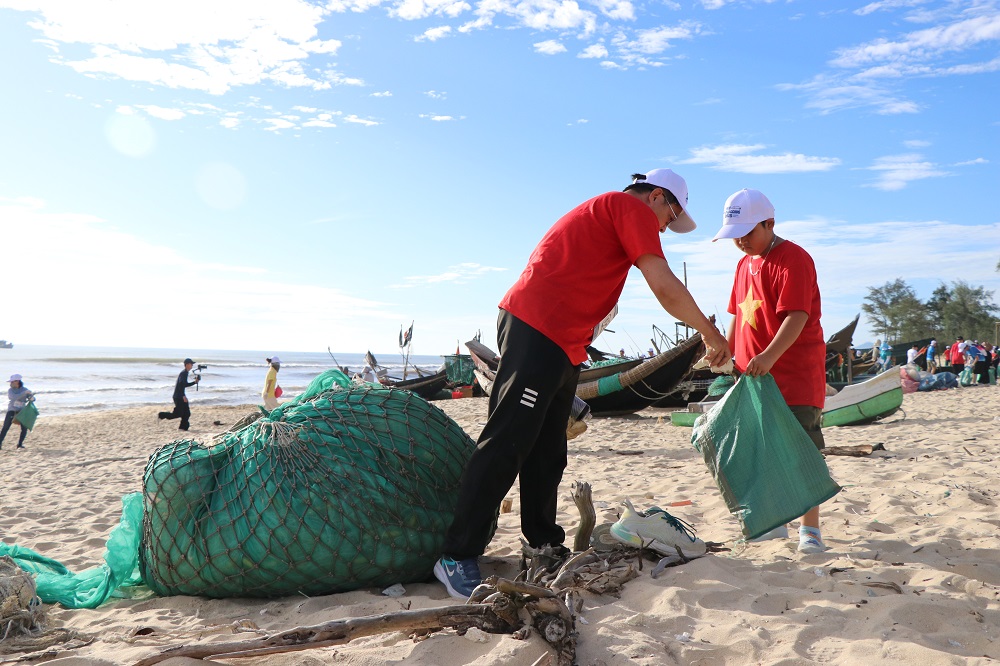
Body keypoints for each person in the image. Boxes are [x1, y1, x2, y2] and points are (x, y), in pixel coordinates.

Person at [433, 168, 732, 599]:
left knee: (549, 451)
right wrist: (709, 331)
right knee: (509, 439)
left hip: (563, 341)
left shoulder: (615, 215)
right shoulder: (629, 206)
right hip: (538, 324)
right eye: (671, 216)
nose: (667, 227)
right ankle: (457, 554)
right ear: (657, 198)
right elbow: (663, 286)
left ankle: (543, 543)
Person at [713, 188, 828, 554]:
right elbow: (737, 314)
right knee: (761, 451)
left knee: (802, 453)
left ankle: (810, 531)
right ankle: (773, 522)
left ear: (770, 223)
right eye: (736, 235)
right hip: (753, 377)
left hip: (794, 375)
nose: (742, 241)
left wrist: (769, 355)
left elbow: (797, 316)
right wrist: (725, 350)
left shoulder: (793, 258)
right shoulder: (742, 265)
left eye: (749, 232)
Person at [157, 358, 200, 431]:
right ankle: (161, 415)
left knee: (186, 413)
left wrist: (194, 382)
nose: (192, 365)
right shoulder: (183, 373)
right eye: (191, 364)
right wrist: (183, 396)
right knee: (178, 414)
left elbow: (184, 385)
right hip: (178, 396)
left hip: (180, 395)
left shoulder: (185, 373)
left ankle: (183, 427)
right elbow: (182, 385)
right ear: (187, 364)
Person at [0, 374, 33, 450]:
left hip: (22, 411)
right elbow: (14, 397)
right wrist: (25, 393)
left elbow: (31, 398)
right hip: (12, 410)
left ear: (17, 381)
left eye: (12, 382)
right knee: (5, 427)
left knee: (24, 428)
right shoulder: (10, 390)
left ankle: (20, 444)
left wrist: (31, 397)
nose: (10, 383)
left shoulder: (25, 389)